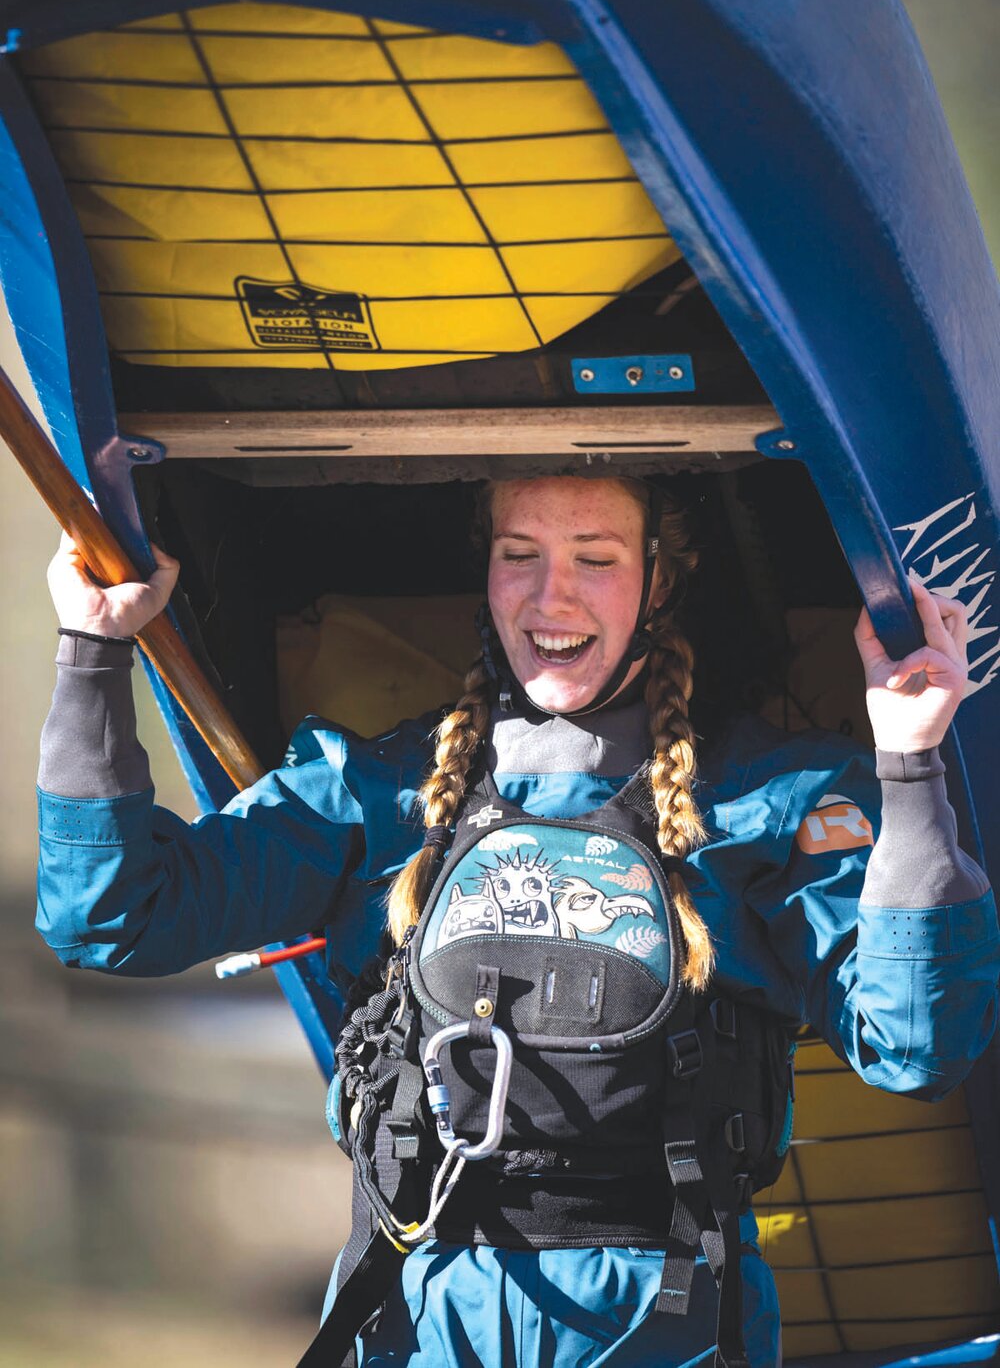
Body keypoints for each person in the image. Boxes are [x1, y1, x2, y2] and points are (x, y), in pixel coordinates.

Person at [36, 475, 999, 1368]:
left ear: (662, 580)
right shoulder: (373, 791)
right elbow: (112, 916)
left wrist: (910, 762)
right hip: (420, 1311)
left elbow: (916, 1046)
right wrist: (92, 649)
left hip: (660, 1317)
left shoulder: (772, 798)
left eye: (596, 556)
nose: (551, 599)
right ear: (484, 571)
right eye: (518, 554)